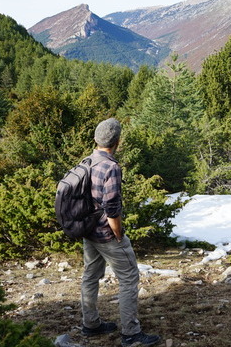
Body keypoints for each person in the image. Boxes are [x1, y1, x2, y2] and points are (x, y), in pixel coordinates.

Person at [80, 118, 161, 347]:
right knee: (128, 279)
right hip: (106, 234)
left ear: (96, 139)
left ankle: (91, 324)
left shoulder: (86, 161)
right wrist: (118, 234)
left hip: (88, 232)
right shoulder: (111, 167)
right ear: (117, 141)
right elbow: (112, 207)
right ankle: (131, 334)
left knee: (90, 276)